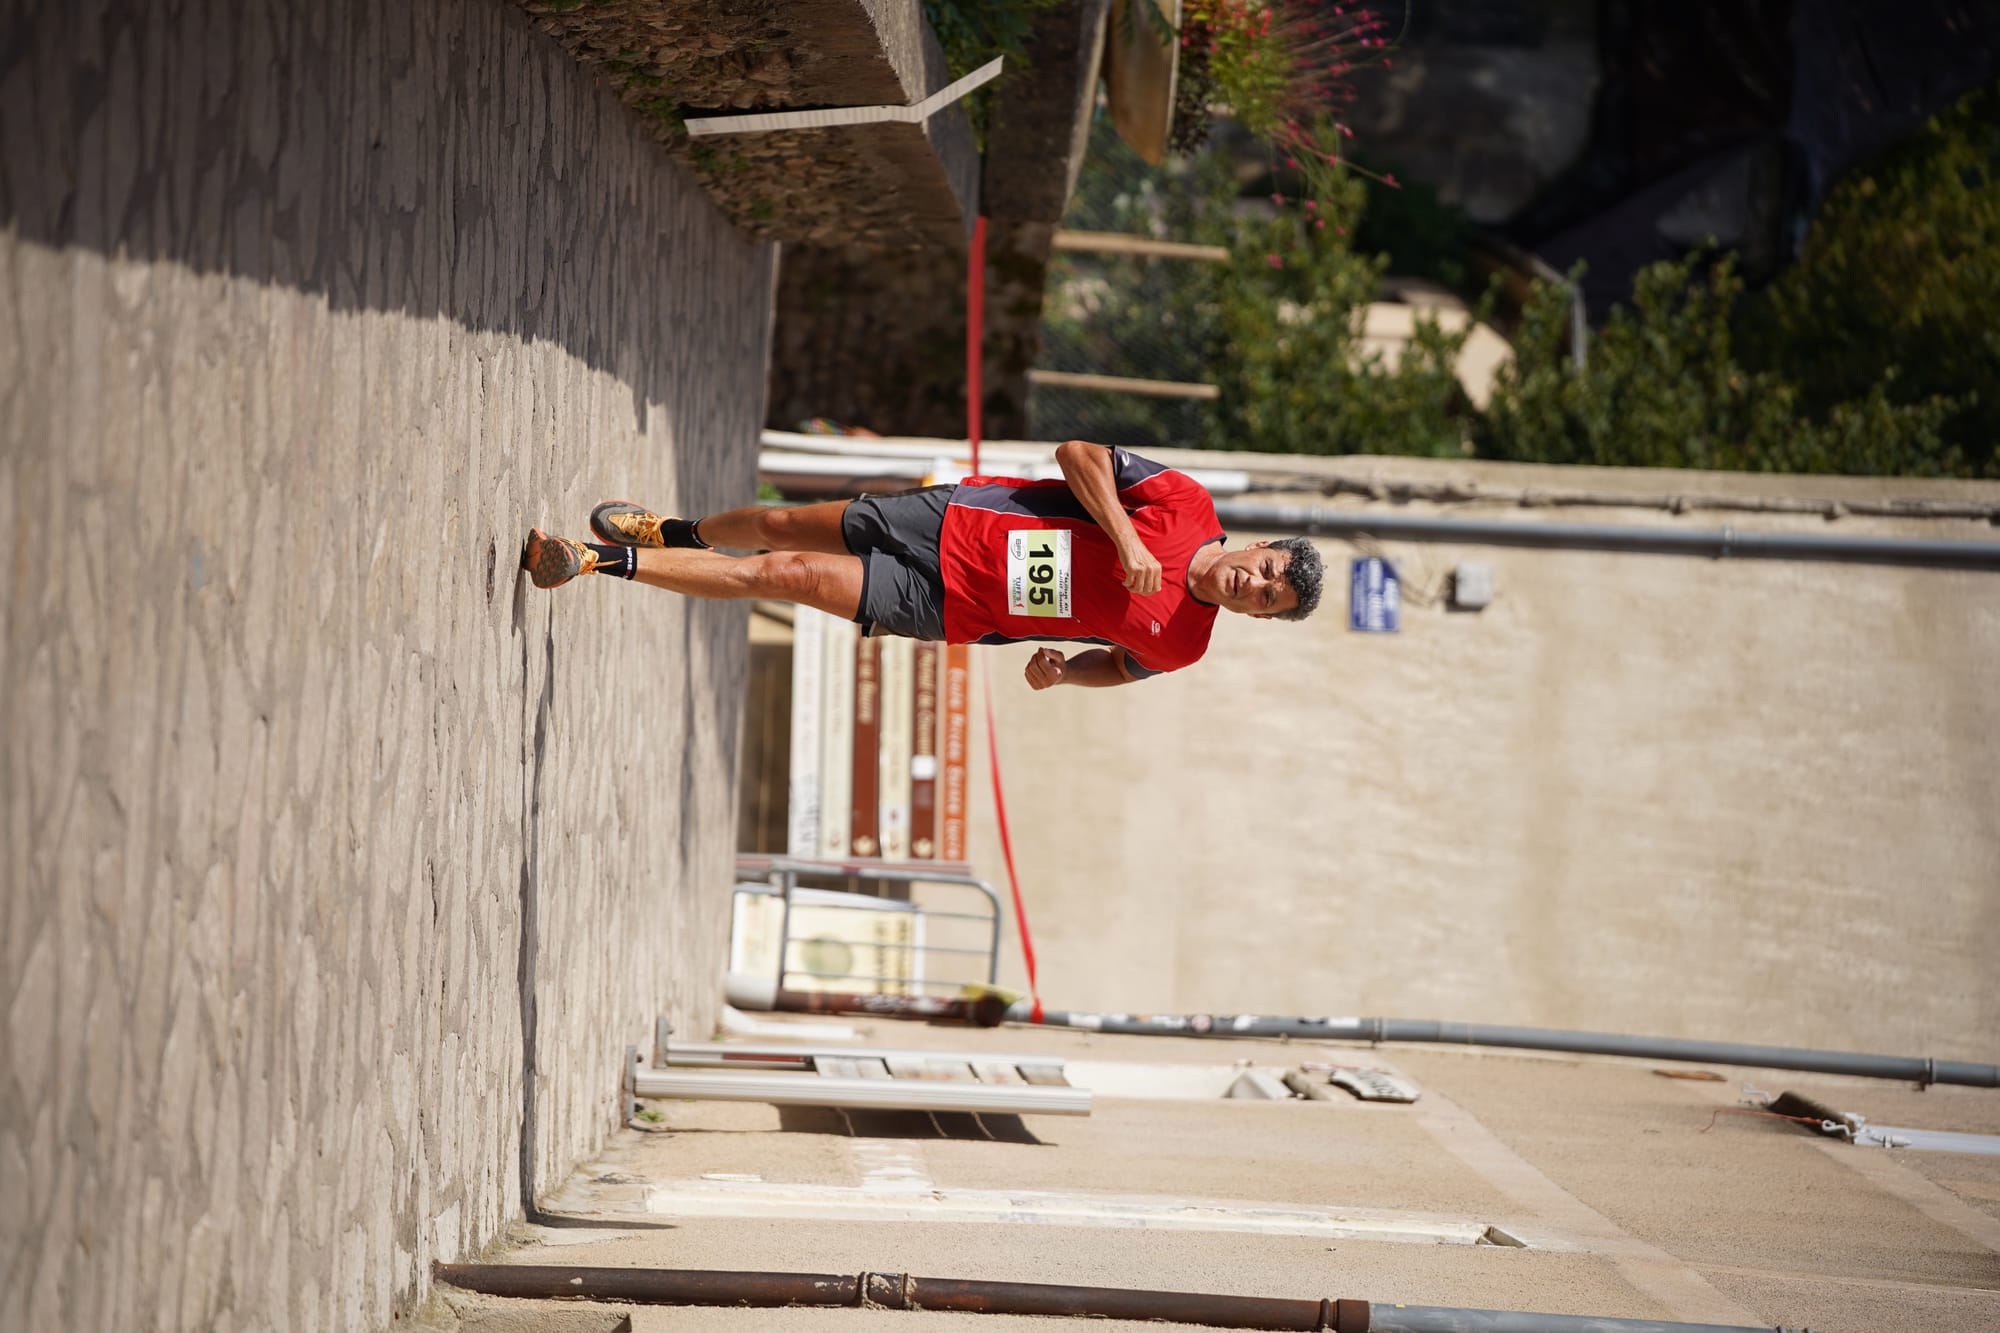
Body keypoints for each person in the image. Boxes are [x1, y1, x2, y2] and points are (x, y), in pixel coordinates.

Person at [521, 440, 1324, 688]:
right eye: (1266, 572)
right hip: (958, 521)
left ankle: (593, 560)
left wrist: (1061, 675)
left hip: (959, 609)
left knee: (782, 572)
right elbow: (1076, 454)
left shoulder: (1184, 643)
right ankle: (674, 528)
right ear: (1257, 547)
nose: (1254, 587)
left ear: (1259, 618)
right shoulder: (1182, 501)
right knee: (776, 520)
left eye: (1266, 602)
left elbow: (1121, 664)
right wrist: (1124, 536)